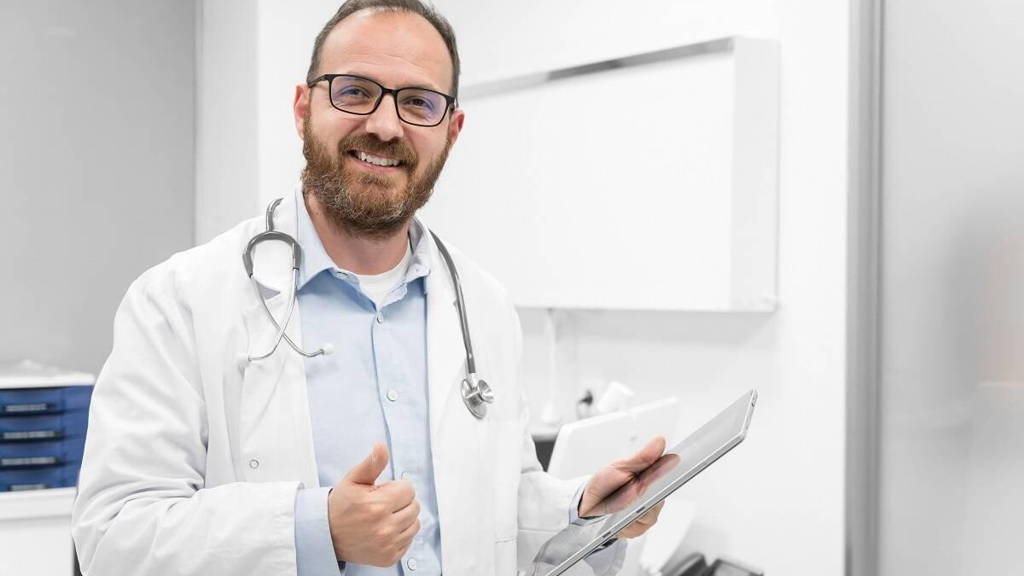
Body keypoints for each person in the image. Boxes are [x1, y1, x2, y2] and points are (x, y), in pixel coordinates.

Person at [70, 1, 664, 574]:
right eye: (355, 91)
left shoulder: (482, 307)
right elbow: (114, 538)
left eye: (418, 103)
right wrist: (314, 528)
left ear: (451, 130)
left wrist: (583, 511)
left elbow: (491, 508)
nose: (384, 126)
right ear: (303, 108)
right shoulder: (178, 300)